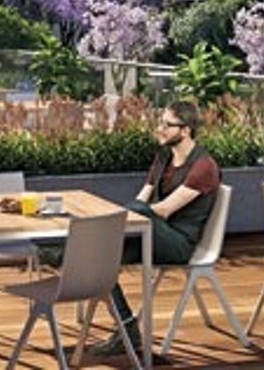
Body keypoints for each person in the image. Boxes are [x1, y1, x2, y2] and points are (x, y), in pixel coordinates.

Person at [72, 102, 221, 358]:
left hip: (178, 243)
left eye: (167, 124)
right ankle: (127, 331)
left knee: (134, 215)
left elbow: (162, 210)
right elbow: (142, 199)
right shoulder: (164, 157)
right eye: (160, 122)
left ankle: (66, 248)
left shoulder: (203, 166)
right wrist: (121, 220)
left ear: (185, 130)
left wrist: (115, 220)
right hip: (153, 232)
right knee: (103, 261)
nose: (160, 129)